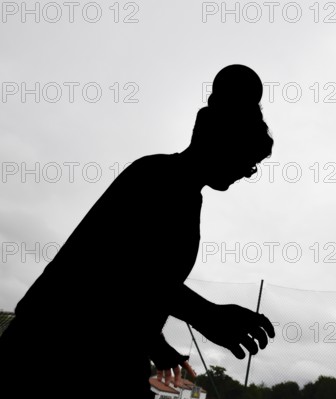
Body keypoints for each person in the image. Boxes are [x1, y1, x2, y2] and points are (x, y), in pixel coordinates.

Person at [0, 64, 276, 398]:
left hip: (100, 356)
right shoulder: (157, 178)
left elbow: (125, 296)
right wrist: (208, 315)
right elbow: (123, 270)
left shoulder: (179, 194)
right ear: (222, 142)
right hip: (52, 353)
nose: (246, 173)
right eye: (249, 161)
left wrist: (155, 345)